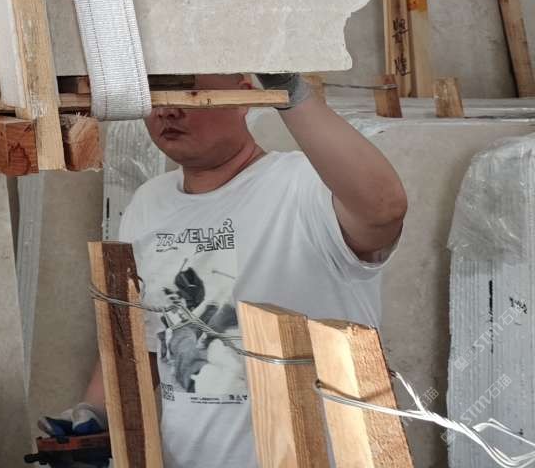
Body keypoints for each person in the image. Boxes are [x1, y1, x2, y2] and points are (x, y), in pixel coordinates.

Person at [56, 72, 407, 468]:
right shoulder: (148, 204)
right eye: (154, 94)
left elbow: (383, 210)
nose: (167, 110)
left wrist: (290, 90)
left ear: (244, 96)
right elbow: (147, 339)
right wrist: (95, 414)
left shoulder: (305, 188)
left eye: (188, 91)